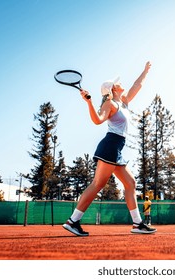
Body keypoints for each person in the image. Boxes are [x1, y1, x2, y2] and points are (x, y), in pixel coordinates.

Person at [63, 61, 157, 236]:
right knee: (98, 184)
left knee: (130, 184)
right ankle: (73, 220)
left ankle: (137, 224)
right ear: (113, 89)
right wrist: (88, 102)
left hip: (117, 148)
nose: (121, 83)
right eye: (117, 83)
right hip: (110, 145)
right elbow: (98, 120)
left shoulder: (124, 102)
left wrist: (145, 71)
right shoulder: (110, 104)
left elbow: (138, 85)